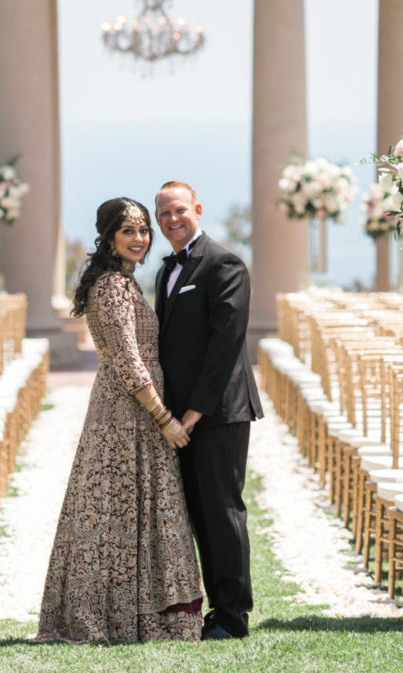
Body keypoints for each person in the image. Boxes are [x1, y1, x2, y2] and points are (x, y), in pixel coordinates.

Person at [36, 197, 203, 643]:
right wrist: (164, 417)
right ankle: (111, 619)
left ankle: (145, 617)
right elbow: (129, 361)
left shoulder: (126, 283)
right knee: (116, 511)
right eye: (128, 231)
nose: (139, 238)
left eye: (144, 230)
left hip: (138, 415)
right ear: (108, 236)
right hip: (125, 415)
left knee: (141, 511)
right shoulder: (111, 286)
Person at [154, 179, 263, 641]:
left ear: (197, 208)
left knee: (222, 512)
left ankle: (233, 616)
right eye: (163, 215)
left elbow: (225, 346)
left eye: (179, 210)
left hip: (218, 414)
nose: (172, 220)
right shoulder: (165, 271)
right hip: (181, 418)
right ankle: (212, 611)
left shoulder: (224, 263)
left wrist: (195, 412)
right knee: (197, 514)